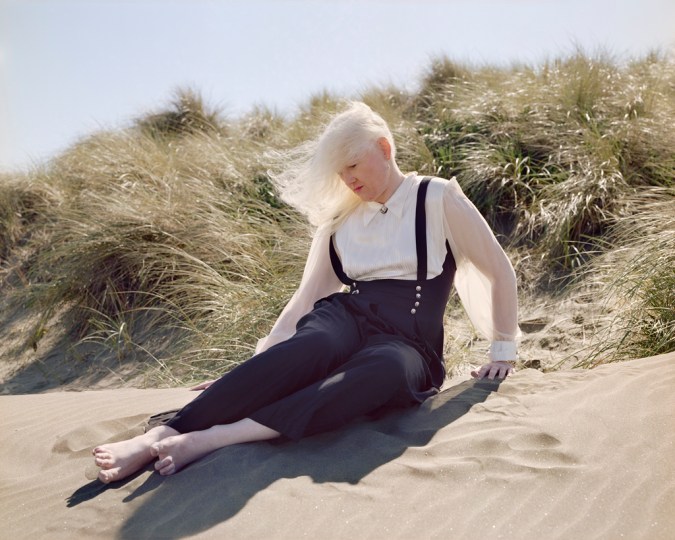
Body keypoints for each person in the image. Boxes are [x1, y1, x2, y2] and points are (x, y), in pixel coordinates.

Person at [92, 102, 519, 483]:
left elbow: (499, 268)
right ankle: (158, 435)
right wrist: (261, 364)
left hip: (408, 342)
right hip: (347, 317)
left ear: (385, 149)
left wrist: (502, 351)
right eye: (340, 171)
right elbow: (305, 299)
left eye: (353, 164)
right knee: (313, 342)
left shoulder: (435, 197)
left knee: (385, 369)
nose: (348, 179)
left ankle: (217, 437)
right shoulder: (340, 222)